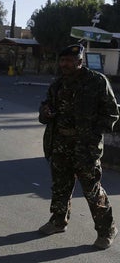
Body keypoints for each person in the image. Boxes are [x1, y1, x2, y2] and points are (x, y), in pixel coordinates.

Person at [38, 44, 118, 250]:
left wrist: (92, 136)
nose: (64, 64)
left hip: (85, 147)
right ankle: (58, 221)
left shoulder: (97, 82)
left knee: (92, 191)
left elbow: (112, 113)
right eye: (62, 60)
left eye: (69, 61)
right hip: (60, 144)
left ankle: (106, 230)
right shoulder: (57, 84)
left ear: (80, 62)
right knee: (60, 186)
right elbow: (44, 110)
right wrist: (45, 112)